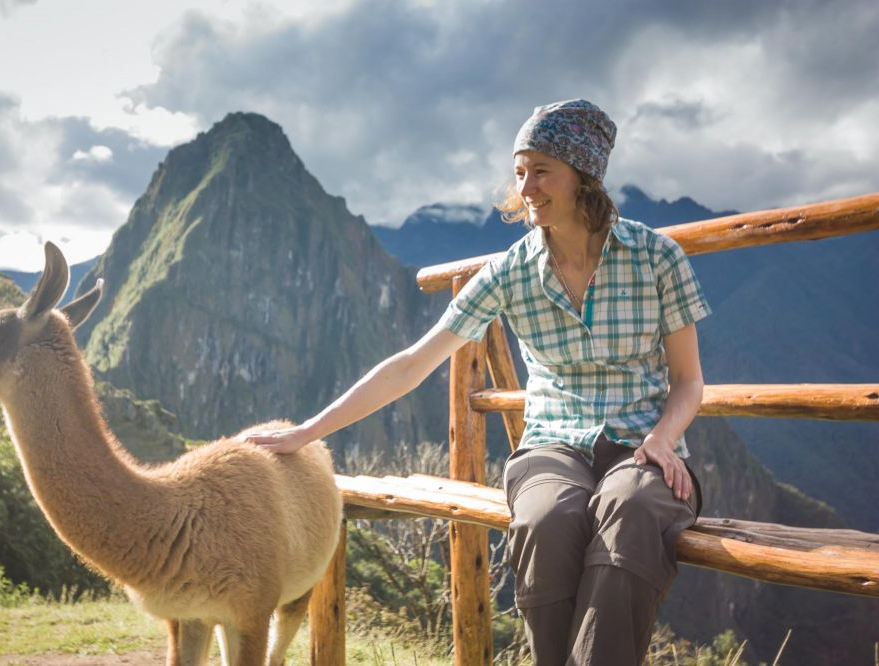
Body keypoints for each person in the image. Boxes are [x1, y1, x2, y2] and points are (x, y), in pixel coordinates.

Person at [244, 99, 710, 665]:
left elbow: (688, 381)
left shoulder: (657, 258)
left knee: (631, 509)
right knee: (546, 519)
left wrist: (661, 441)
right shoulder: (510, 272)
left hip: (644, 445)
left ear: (583, 175)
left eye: (542, 170)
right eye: (520, 171)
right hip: (552, 446)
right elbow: (413, 363)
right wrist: (305, 433)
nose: (526, 187)